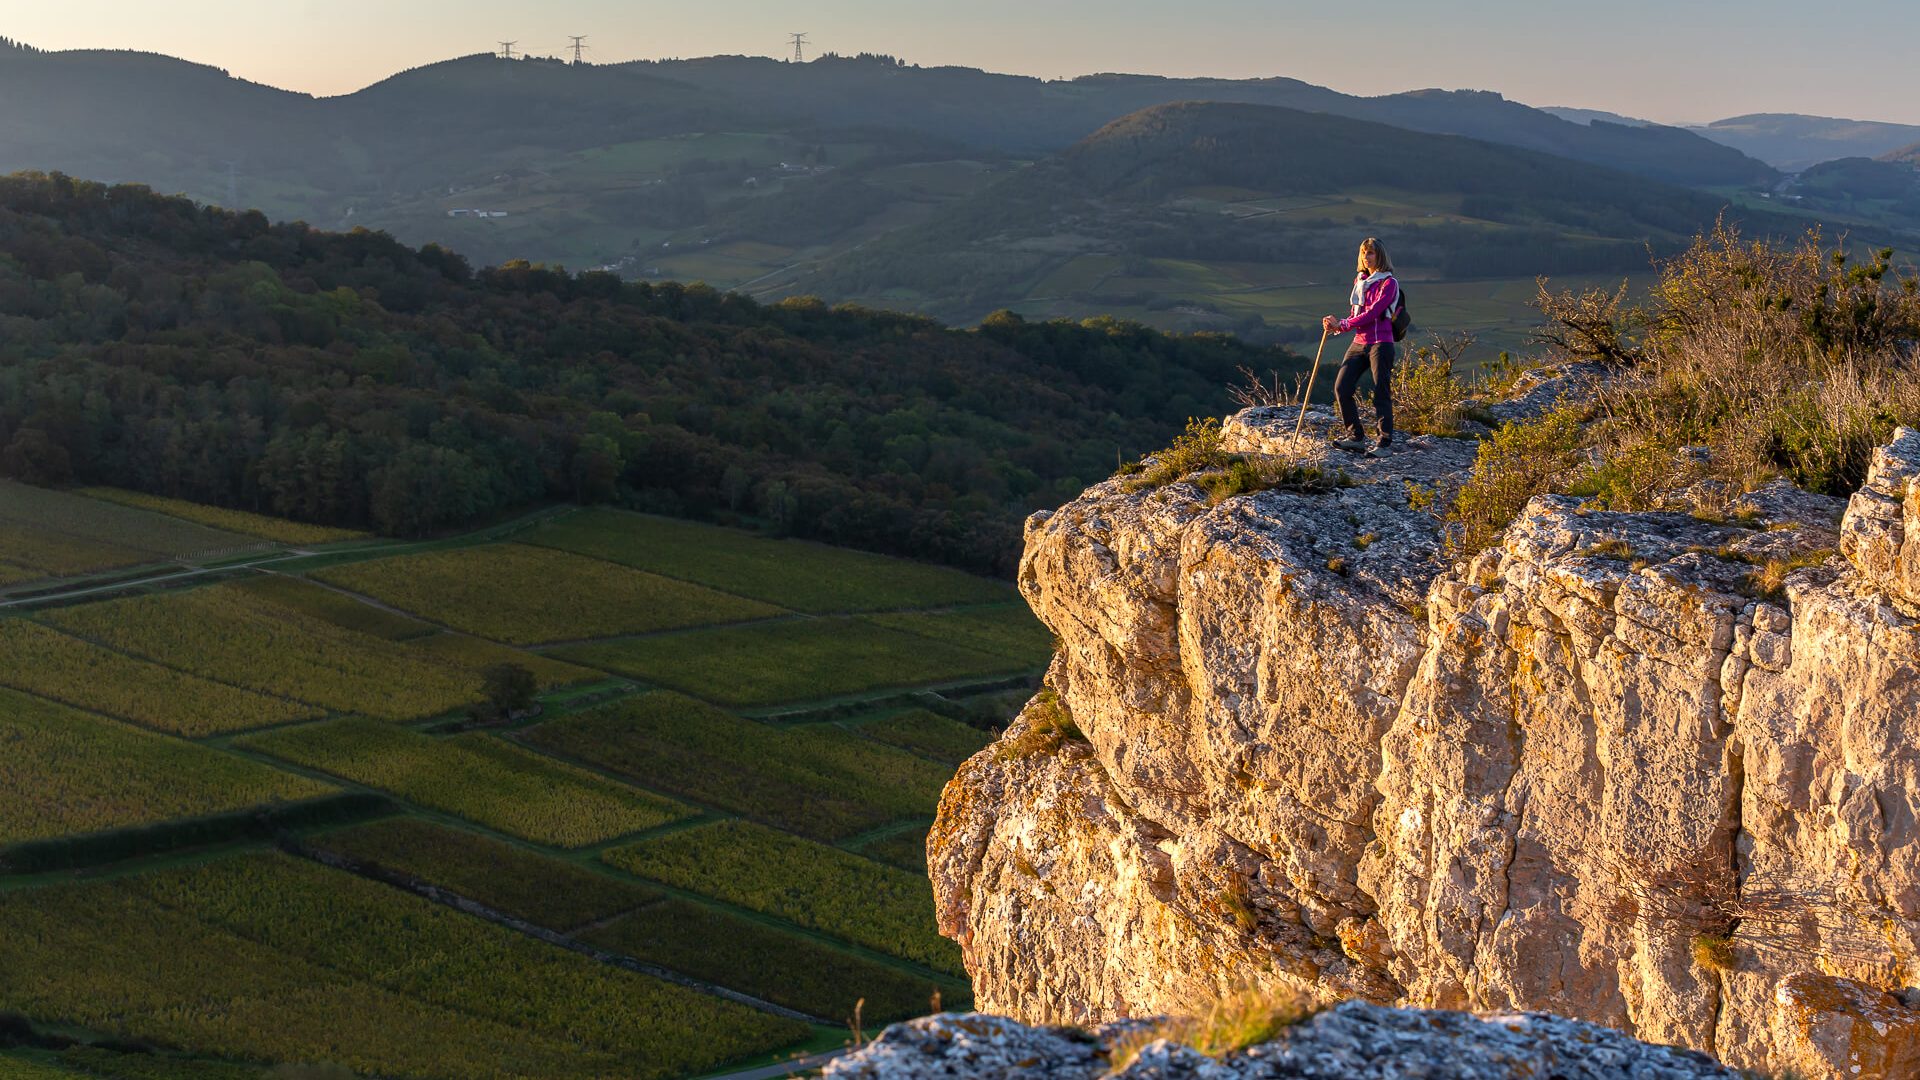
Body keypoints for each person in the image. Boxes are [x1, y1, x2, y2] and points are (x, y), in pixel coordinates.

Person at [1321, 238, 1398, 457]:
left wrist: (1342, 325)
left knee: (1380, 390)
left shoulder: (1389, 284)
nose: (1366, 257)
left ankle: (1384, 441)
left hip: (1381, 343)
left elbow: (1373, 313)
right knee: (1342, 387)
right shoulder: (1360, 282)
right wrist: (1335, 325)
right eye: (1364, 253)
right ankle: (1355, 437)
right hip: (1359, 342)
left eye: (1371, 253)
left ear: (1380, 256)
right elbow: (1358, 315)